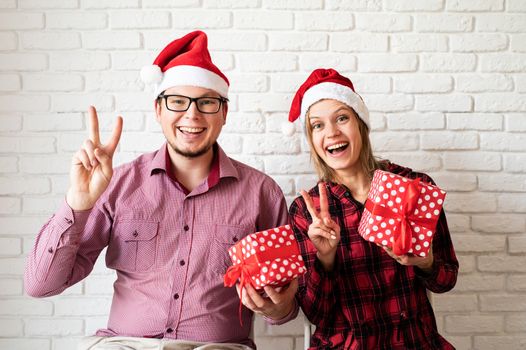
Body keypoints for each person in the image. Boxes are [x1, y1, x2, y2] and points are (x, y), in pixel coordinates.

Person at [24, 30, 297, 350]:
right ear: (158, 110)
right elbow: (40, 286)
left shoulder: (262, 193)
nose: (192, 114)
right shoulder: (118, 185)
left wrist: (277, 307)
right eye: (178, 101)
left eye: (206, 102)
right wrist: (78, 203)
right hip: (126, 345)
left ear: (224, 112)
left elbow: (282, 311)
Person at [285, 68, 459, 349]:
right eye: (317, 125)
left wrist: (425, 262)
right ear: (312, 140)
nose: (331, 132)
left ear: (360, 124)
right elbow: (316, 313)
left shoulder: (413, 187)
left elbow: (446, 279)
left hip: (414, 341)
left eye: (342, 118)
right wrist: (325, 258)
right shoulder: (309, 211)